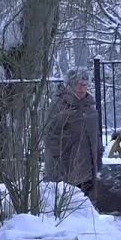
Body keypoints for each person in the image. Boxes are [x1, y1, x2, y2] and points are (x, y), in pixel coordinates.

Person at [43, 67, 104, 196]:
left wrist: (98, 155)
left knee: (87, 210)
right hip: (66, 173)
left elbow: (95, 137)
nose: (81, 88)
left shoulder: (90, 108)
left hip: (88, 172)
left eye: (85, 84)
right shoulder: (59, 106)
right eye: (77, 84)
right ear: (69, 85)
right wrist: (61, 163)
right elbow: (50, 138)